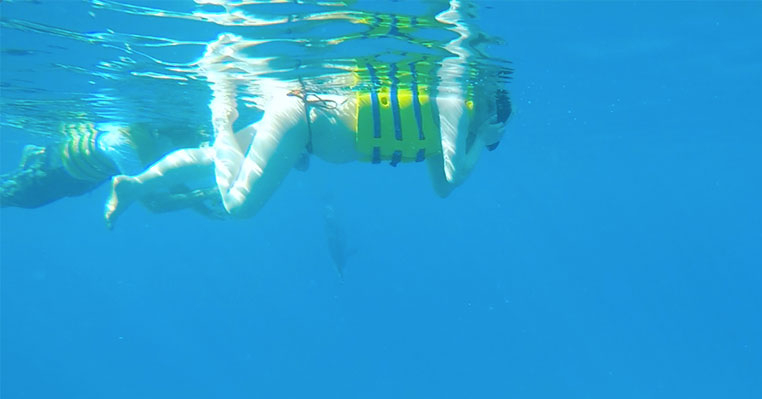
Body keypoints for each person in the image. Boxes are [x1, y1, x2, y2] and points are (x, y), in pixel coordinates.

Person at [104, 11, 511, 229]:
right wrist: (480, 141)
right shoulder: (455, 101)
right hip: (301, 121)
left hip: (303, 121)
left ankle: (134, 185)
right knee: (237, 206)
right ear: (488, 112)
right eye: (488, 132)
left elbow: (442, 188)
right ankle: (220, 118)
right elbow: (456, 175)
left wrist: (474, 141)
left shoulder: (443, 136)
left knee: (217, 158)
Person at [0, 122, 219, 215]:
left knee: (20, 182)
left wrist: (201, 205)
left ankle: (32, 162)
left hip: (60, 161)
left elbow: (167, 175)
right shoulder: (130, 155)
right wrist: (210, 194)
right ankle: (30, 164)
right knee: (15, 197)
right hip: (58, 176)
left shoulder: (145, 136)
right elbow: (155, 203)